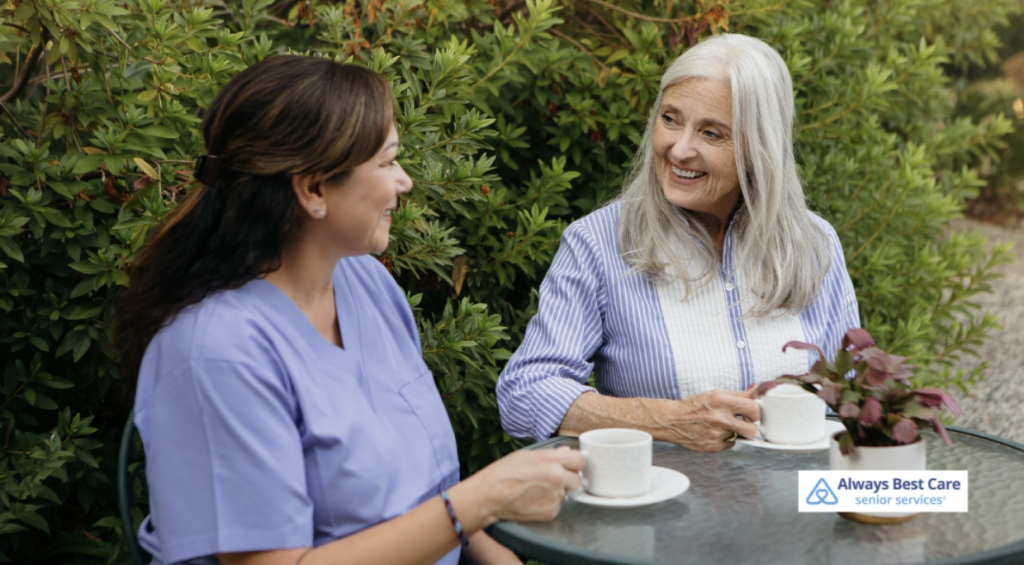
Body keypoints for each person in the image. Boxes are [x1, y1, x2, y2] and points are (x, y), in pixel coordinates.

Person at [113, 55, 585, 565]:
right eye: (387, 162)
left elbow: (433, 494)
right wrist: (479, 500)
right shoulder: (216, 351)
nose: (403, 182)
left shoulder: (362, 281)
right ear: (313, 188)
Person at [496, 33, 860, 453]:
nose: (679, 149)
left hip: (795, 507)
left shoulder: (815, 243)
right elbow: (524, 394)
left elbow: (853, 395)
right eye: (670, 119)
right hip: (660, 513)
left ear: (760, 147)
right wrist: (667, 421)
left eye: (711, 133)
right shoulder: (596, 244)